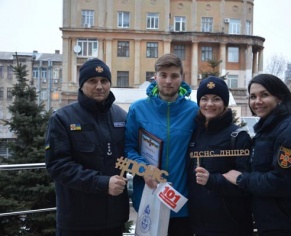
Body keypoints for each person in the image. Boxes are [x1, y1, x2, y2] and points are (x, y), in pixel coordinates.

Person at [223, 73, 291, 236]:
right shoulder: (268, 128)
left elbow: (280, 182)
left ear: (279, 97)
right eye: (253, 96)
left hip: (290, 226)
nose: (257, 101)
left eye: (264, 95)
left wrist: (241, 179)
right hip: (273, 223)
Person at [45, 58, 129, 236]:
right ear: (81, 84)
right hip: (77, 221)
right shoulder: (62, 118)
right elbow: (58, 166)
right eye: (92, 81)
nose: (99, 86)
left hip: (114, 219)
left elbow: (131, 155)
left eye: (104, 81)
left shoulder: (121, 116)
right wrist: (102, 183)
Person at [124, 53, 198, 235]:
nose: (168, 81)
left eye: (174, 76)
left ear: (182, 78)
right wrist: (144, 170)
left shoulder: (193, 111)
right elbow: (128, 148)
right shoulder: (138, 109)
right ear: (155, 77)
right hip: (149, 199)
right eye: (163, 75)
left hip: (181, 203)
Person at [187, 76, 254, 236]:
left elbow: (247, 184)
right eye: (204, 99)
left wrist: (212, 180)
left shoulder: (238, 136)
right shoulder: (194, 134)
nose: (209, 104)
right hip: (198, 224)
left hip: (230, 225)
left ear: (224, 103)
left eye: (216, 99)